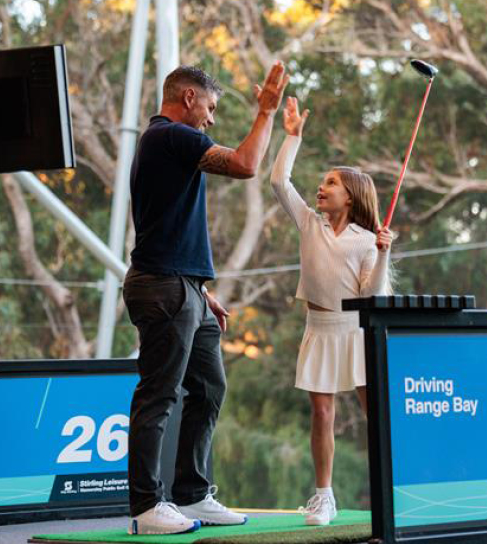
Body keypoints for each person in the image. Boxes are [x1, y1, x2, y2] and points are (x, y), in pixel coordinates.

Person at [122, 63, 289, 535]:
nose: (212, 120)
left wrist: (202, 289)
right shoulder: (168, 135)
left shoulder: (170, 144)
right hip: (164, 287)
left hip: (187, 287)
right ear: (189, 99)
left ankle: (193, 495)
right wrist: (267, 112)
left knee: (210, 387)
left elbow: (168, 227)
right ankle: (145, 508)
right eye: (211, 109)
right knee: (158, 395)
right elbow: (246, 165)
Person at [270, 97, 393, 526]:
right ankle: (324, 496)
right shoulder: (308, 222)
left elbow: (372, 294)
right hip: (319, 326)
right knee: (321, 413)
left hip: (356, 328)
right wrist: (292, 137)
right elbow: (278, 181)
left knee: (376, 413)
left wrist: (381, 255)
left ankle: (390, 491)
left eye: (331, 183)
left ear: (352, 196)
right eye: (322, 182)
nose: (320, 188)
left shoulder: (366, 239)